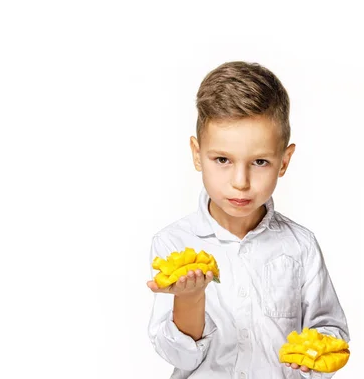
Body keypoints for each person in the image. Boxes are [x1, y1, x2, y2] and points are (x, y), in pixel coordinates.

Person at [147, 61, 350, 379]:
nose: (240, 181)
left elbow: (330, 330)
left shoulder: (300, 246)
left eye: (259, 161)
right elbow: (180, 357)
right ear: (197, 154)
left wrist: (316, 355)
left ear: (284, 161)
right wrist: (190, 297)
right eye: (223, 160)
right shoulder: (174, 243)